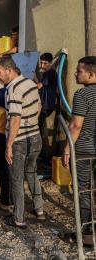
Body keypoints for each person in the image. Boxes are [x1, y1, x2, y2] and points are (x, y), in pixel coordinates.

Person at [0, 56, 44, 229]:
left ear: (9, 70)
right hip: (35, 137)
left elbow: (15, 118)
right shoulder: (30, 83)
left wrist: (9, 144)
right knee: (32, 173)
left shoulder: (13, 89)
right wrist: (31, 124)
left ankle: (18, 218)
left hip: (19, 141)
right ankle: (39, 210)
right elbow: (39, 107)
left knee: (16, 179)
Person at [63, 56, 96, 246]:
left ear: (91, 74)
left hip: (85, 152)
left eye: (79, 71)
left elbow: (75, 126)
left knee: (85, 191)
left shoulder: (82, 95)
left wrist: (67, 149)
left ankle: (87, 236)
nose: (75, 74)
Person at [36, 52, 57, 134]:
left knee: (38, 126)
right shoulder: (46, 73)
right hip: (45, 105)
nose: (42, 65)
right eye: (41, 63)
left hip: (46, 105)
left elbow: (39, 86)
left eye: (45, 63)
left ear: (51, 63)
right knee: (39, 125)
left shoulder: (50, 73)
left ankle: (39, 146)